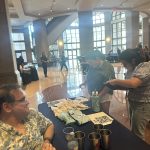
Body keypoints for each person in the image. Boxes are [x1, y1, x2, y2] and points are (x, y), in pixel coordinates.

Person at [99, 48, 150, 141]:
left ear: (133, 60)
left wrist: (115, 81)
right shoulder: (133, 69)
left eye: (125, 64)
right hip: (134, 102)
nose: (124, 66)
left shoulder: (145, 66)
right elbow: (129, 87)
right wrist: (113, 86)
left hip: (142, 105)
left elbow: (133, 83)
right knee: (135, 129)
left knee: (138, 133)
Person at [0, 84, 55, 150]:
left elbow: (49, 125)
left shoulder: (31, 114)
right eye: (22, 100)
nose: (28, 102)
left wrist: (46, 141)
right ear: (7, 107)